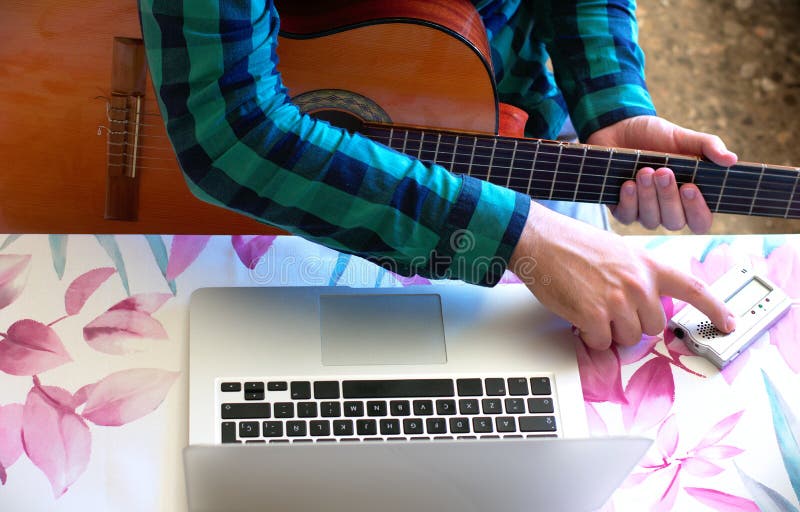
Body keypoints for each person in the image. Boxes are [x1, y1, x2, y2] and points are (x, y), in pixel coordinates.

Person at [138, 0, 737, 350]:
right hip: (226, 205)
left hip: (508, 117)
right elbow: (231, 131)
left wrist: (612, 105)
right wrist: (519, 239)